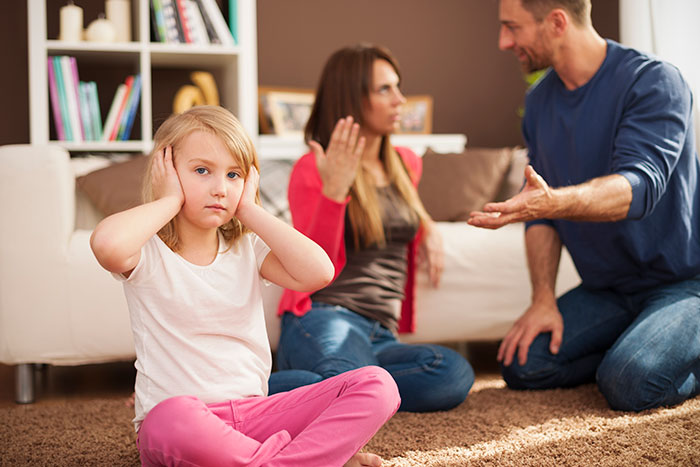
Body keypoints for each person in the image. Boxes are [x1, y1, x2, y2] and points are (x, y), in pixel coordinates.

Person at [90, 105, 400, 467]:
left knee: (378, 385)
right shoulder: (147, 252)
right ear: (167, 171)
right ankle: (310, 460)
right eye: (202, 171)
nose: (220, 189)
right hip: (183, 422)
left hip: (255, 418)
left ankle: (271, 462)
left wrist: (250, 210)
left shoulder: (247, 249)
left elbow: (319, 272)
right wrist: (169, 200)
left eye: (233, 175)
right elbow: (107, 246)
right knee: (169, 417)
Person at [469, 0, 700, 412]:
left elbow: (639, 189)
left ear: (557, 22)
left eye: (512, 28)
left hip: (683, 282)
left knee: (630, 383)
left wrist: (550, 202)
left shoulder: (654, 81)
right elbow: (539, 213)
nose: (504, 42)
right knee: (524, 365)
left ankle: (650, 349)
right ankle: (643, 343)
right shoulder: (539, 102)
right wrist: (543, 299)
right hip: (607, 290)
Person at [269, 44, 474, 412]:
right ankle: (232, 389)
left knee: (452, 374)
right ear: (352, 98)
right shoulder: (312, 168)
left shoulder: (405, 163)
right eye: (385, 90)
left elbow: (401, 213)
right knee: (351, 380)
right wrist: (335, 191)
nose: (400, 99)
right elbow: (312, 265)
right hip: (324, 316)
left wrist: (428, 224)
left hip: (381, 333)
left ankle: (342, 388)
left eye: (398, 87)